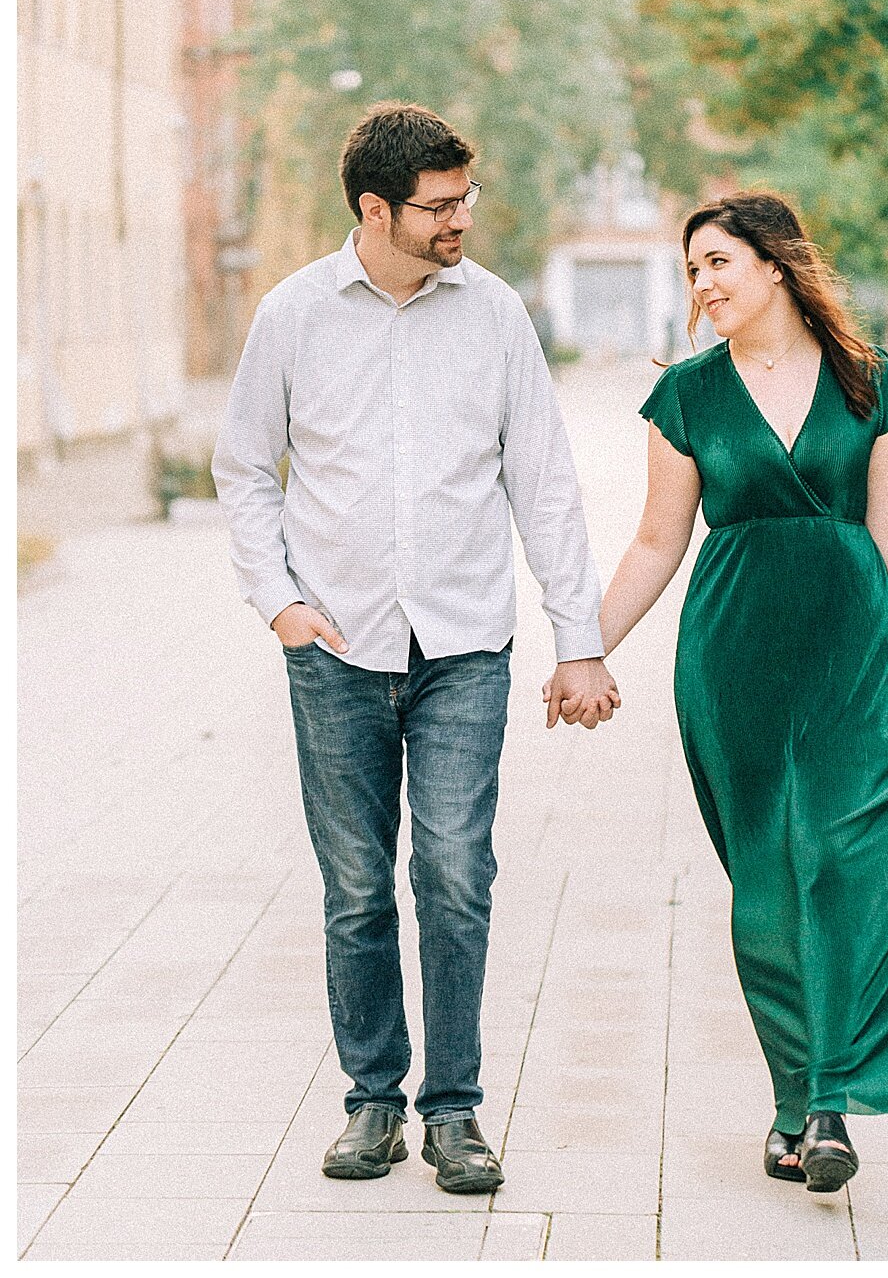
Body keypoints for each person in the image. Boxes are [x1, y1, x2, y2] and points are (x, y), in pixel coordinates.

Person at [213, 102, 619, 1194]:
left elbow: (543, 479)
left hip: (464, 648)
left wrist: (577, 641)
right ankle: (373, 1101)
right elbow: (245, 465)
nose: (460, 220)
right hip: (335, 648)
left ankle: (455, 1110)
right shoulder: (294, 314)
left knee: (452, 873)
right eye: (439, 206)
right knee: (355, 885)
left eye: (464, 199)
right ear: (374, 208)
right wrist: (279, 603)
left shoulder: (494, 317)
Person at [599, 192, 888, 1192]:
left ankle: (826, 1100)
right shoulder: (689, 395)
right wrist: (583, 647)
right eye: (691, 271)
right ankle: (795, 1093)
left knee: (836, 862)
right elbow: (657, 541)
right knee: (768, 878)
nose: (702, 285)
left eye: (716, 262)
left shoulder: (866, 382)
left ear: (775, 266)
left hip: (851, 648)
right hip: (734, 657)